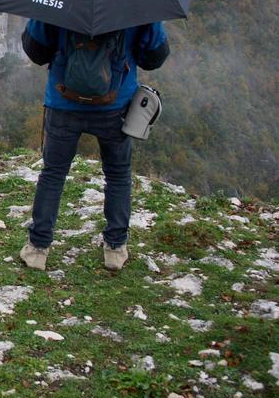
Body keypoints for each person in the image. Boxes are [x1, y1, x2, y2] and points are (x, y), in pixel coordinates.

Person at [18, 20, 169, 271]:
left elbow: (36, 51)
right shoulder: (136, 3)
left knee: (53, 174)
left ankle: (37, 249)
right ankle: (115, 248)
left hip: (63, 103)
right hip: (115, 105)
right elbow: (154, 57)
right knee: (118, 175)